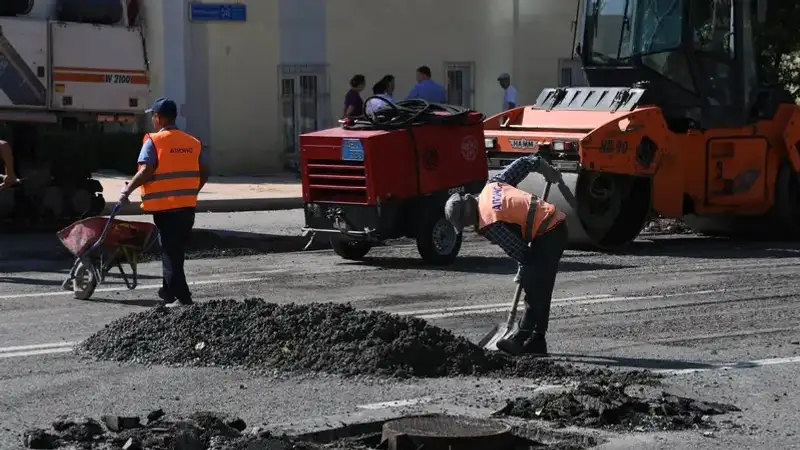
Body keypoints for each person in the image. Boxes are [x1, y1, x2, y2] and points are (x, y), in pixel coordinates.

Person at [443, 155, 569, 356]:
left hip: (549, 231)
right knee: (541, 285)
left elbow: (520, 251)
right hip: (552, 225)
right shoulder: (492, 186)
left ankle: (520, 337)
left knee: (535, 285)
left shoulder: (489, 222)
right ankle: (538, 341)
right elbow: (525, 163)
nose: (468, 226)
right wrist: (545, 169)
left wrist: (523, 268)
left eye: (465, 222)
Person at [118, 97, 209, 307]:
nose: (152, 120)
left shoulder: (154, 140)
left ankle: (183, 298)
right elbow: (204, 172)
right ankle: (167, 293)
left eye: (153, 116)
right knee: (175, 250)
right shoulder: (192, 142)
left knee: (170, 253)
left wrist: (126, 190)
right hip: (187, 207)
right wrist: (191, 191)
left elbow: (146, 170)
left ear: (157, 117)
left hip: (166, 209)